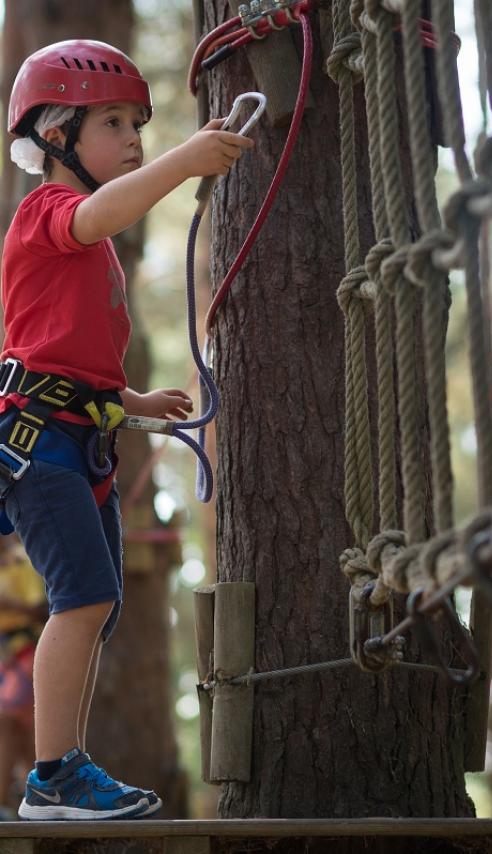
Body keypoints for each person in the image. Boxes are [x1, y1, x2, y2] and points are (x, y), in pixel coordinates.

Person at [0, 39, 253, 821]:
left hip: (77, 433)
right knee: (83, 596)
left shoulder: (89, 242)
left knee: (95, 603)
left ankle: (61, 769)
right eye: (113, 121)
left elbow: (67, 352)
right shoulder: (49, 214)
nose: (135, 137)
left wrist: (134, 401)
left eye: (139, 123)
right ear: (54, 137)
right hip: (37, 440)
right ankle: (53, 776)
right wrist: (182, 161)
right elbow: (102, 212)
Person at [0, 538, 47, 820]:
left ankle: (36, 801)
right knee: (11, 729)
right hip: (5, 657)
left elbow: (43, 610)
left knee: (13, 723)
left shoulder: (21, 561)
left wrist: (11, 605)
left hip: (22, 653)